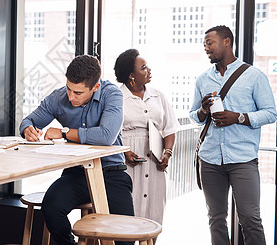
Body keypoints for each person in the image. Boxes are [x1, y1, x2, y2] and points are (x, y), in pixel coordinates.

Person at [19, 55, 134, 245]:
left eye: (78, 93)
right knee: (51, 207)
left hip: (111, 174)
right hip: (77, 174)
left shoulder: (112, 94)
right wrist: (27, 130)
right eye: (68, 88)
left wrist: (64, 133)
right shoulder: (59, 97)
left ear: (95, 87)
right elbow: (28, 121)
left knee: (124, 240)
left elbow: (106, 136)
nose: (71, 96)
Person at [189, 25, 277, 245]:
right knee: (216, 219)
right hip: (209, 159)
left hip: (243, 160)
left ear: (227, 41)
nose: (206, 48)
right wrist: (202, 110)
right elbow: (194, 116)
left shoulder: (254, 76)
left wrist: (238, 117)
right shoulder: (202, 79)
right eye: (204, 45)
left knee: (250, 219)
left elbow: (271, 113)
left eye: (210, 43)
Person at [114, 49, 179, 229]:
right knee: (127, 215)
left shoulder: (158, 95)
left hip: (155, 162)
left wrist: (167, 153)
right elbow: (110, 132)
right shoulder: (117, 98)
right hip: (127, 161)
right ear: (131, 76)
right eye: (143, 68)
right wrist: (125, 151)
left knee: (154, 213)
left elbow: (170, 127)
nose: (149, 70)